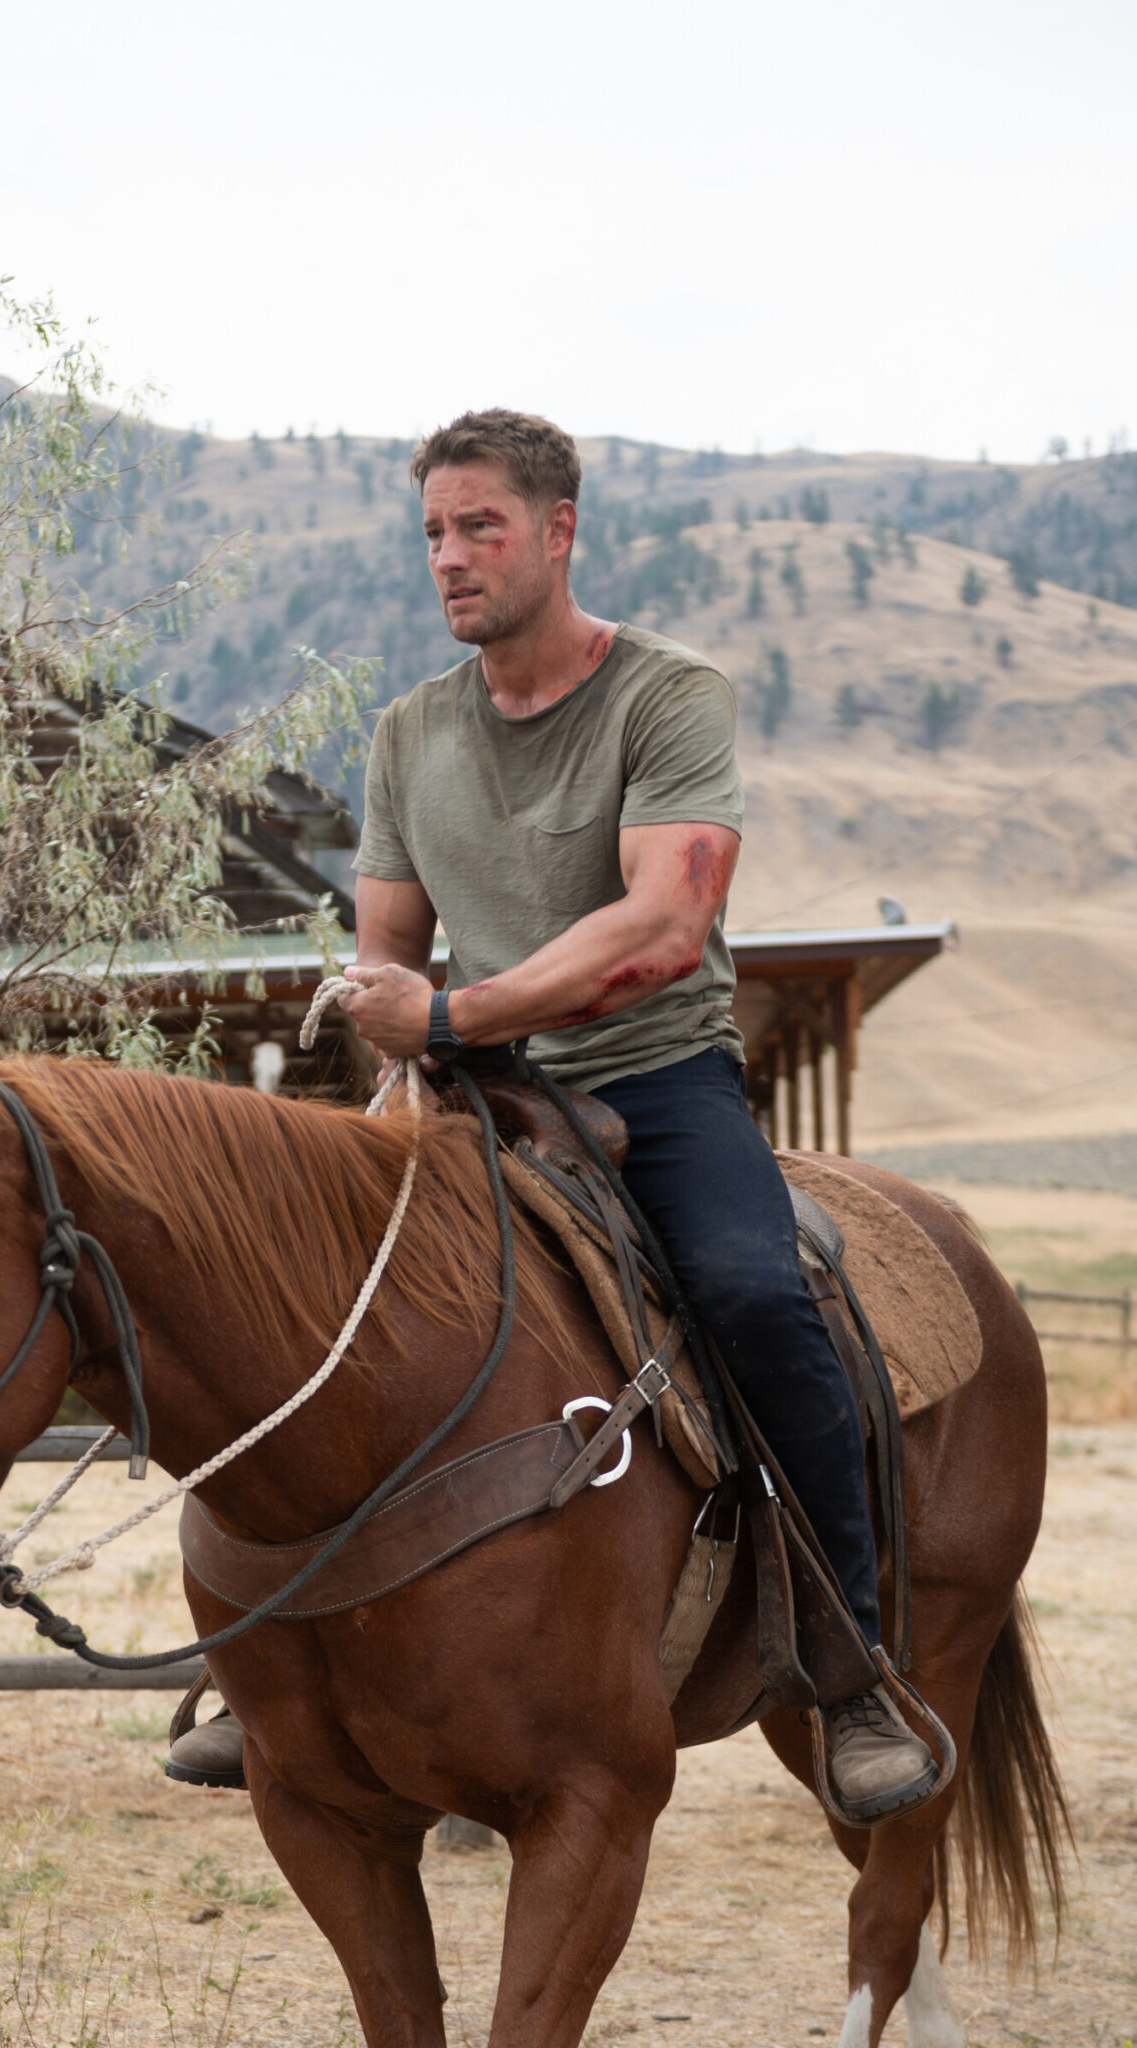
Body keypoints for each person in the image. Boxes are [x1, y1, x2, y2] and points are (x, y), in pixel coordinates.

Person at [167, 408, 936, 1823]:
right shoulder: (410, 733)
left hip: (655, 1073)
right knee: (305, 1309)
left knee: (759, 1297)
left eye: (480, 529)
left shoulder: (664, 696)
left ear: (559, 531)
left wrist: (454, 1016)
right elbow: (388, 941)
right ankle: (263, 1654)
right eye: (433, 536)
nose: (450, 560)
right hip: (466, 1095)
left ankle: (850, 1663)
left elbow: (663, 920)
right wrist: (395, 1017)